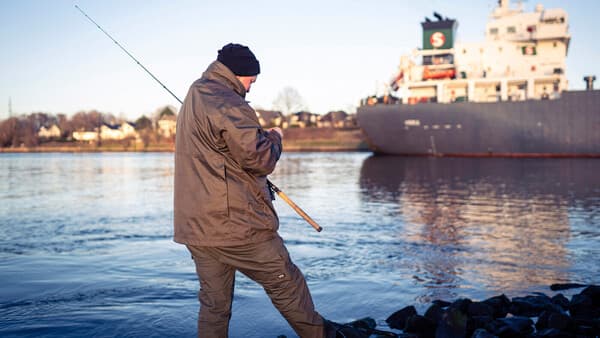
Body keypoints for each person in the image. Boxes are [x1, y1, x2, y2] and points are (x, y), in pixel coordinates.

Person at [174, 43, 327, 337]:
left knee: (214, 306)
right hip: (236, 227)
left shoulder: (196, 92)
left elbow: (224, 153)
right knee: (287, 284)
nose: (251, 87)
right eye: (251, 80)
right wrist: (275, 138)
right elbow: (260, 159)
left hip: (197, 228)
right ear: (239, 73)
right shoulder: (228, 102)